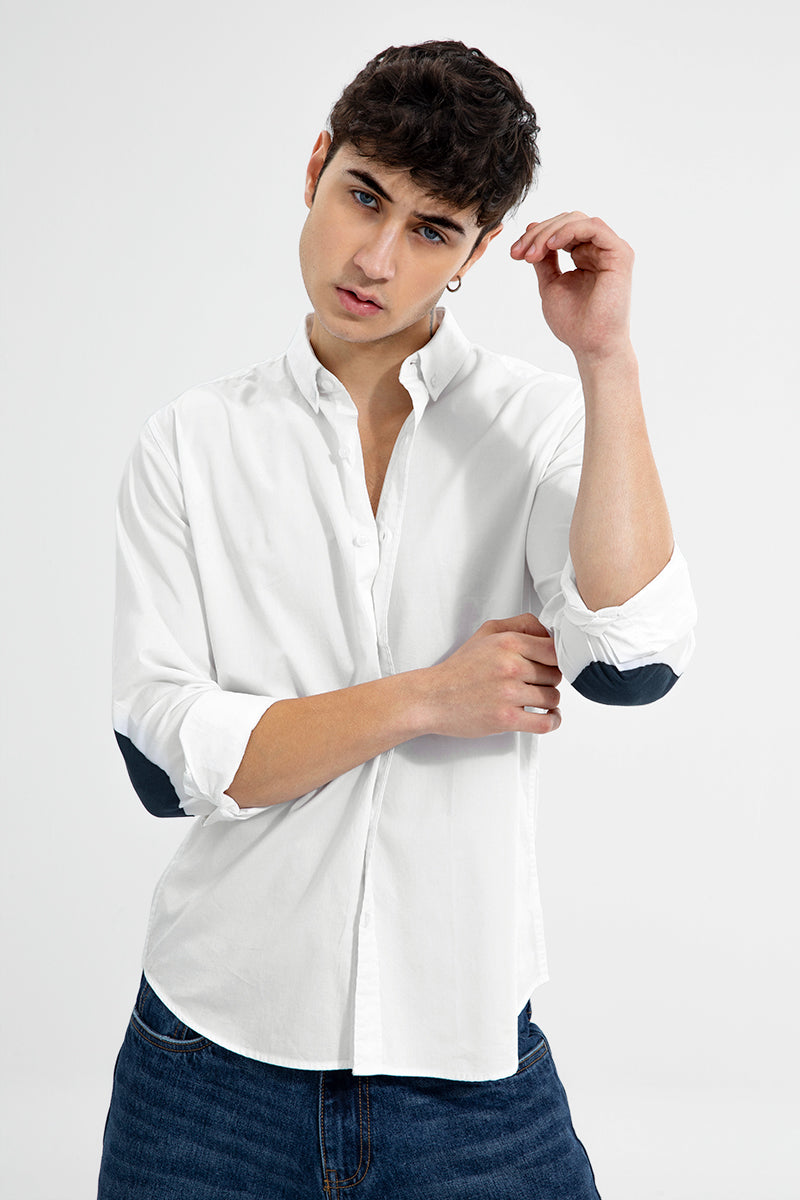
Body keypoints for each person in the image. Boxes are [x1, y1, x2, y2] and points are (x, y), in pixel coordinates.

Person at [97, 40, 696, 1199]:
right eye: (363, 196)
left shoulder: (536, 427)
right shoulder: (191, 443)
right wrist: (427, 698)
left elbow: (633, 657)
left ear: (476, 249)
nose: (374, 258)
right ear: (314, 166)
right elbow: (164, 764)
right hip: (205, 1068)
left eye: (430, 230)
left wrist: (606, 361)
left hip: (467, 1074)